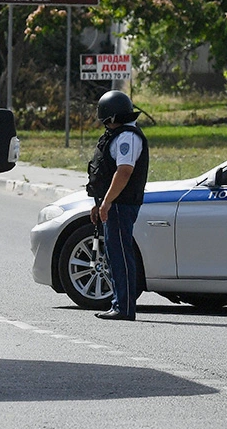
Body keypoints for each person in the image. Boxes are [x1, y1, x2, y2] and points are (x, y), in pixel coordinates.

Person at [85, 89, 149, 321]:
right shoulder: (119, 135)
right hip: (114, 203)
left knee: (120, 255)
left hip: (121, 205)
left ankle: (124, 307)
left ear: (112, 117)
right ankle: (120, 303)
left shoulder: (127, 137)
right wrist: (100, 202)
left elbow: (124, 172)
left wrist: (108, 202)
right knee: (115, 254)